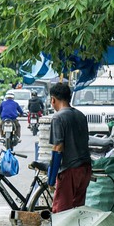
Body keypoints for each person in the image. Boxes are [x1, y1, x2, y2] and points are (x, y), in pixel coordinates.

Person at [47, 82, 92, 213]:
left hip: (70, 171)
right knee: (77, 211)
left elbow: (58, 147)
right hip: (85, 169)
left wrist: (51, 178)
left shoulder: (58, 118)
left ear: (53, 99)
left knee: (61, 212)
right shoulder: (80, 115)